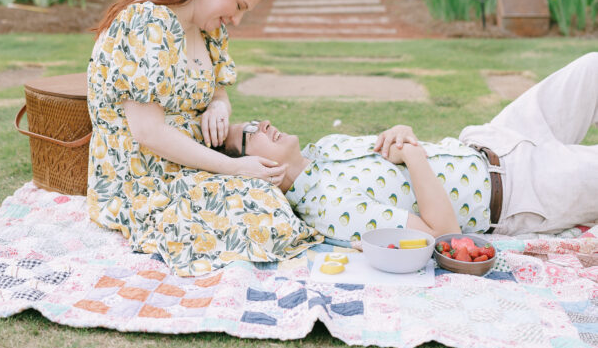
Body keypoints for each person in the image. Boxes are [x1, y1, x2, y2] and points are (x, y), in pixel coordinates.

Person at [86, 0, 318, 276]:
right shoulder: (146, 24)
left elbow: (217, 90)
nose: (236, 20)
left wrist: (219, 107)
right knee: (261, 209)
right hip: (142, 179)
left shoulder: (208, 30)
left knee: (266, 198)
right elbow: (149, 133)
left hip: (189, 164)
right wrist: (236, 168)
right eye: (238, 6)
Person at [220, 53, 598, 244]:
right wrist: (415, 157)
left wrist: (404, 132)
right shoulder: (331, 210)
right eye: (248, 133)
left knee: (591, 67)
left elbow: (402, 146)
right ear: (254, 170)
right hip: (520, 193)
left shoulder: (327, 147)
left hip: (495, 138)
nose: (263, 123)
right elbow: (444, 233)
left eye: (254, 120)